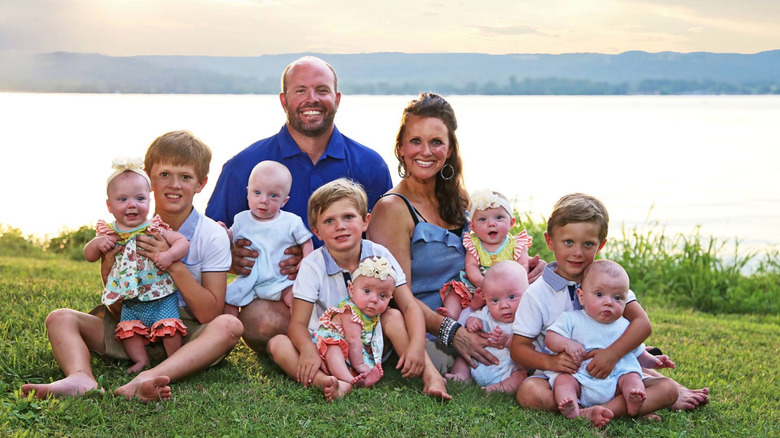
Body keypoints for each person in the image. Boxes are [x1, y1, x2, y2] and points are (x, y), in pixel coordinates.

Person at [21, 130, 243, 402]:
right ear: (149, 179)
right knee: (59, 318)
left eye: (185, 177)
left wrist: (173, 264)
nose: (174, 184)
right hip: (132, 327)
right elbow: (116, 307)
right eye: (164, 175)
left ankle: (147, 378)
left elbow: (210, 314)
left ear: (201, 184)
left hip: (186, 337)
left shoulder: (211, 235)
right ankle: (80, 377)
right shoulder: (125, 231)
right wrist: (107, 271)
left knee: (230, 325)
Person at [205, 56, 392, 353]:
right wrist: (231, 255)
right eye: (300, 91)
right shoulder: (244, 166)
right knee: (260, 321)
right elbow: (210, 242)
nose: (312, 99)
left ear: (337, 98)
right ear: (283, 100)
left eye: (322, 90)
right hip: (280, 300)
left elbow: (385, 249)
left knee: (385, 315)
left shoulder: (370, 165)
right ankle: (329, 345)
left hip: (351, 295)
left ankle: (341, 341)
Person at [367, 92, 546, 376]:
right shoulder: (392, 209)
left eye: (436, 142)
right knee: (522, 355)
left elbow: (485, 256)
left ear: (449, 150)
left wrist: (522, 271)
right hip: (426, 331)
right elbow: (396, 297)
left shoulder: (460, 200)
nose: (425, 151)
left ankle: (626, 362)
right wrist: (455, 332)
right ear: (400, 147)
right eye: (416, 141)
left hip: (481, 314)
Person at [510, 193, 705, 428]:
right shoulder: (538, 293)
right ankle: (608, 410)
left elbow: (642, 324)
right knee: (529, 392)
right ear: (550, 241)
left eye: (588, 244)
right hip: (566, 380)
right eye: (568, 242)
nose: (577, 252)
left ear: (600, 245)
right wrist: (552, 364)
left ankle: (610, 409)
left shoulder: (609, 280)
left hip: (614, 375)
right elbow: (518, 349)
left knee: (668, 389)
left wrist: (611, 355)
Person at [267, 179, 450, 401]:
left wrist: (416, 344)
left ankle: (431, 376)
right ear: (316, 231)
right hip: (327, 345)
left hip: (372, 342)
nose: (340, 226)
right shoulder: (312, 265)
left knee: (393, 315)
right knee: (277, 344)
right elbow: (297, 324)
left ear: (365, 221)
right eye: (329, 220)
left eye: (348, 217)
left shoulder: (380, 255)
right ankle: (326, 382)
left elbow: (409, 305)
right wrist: (307, 350)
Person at [84, 157, 190, 373]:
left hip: (160, 296)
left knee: (170, 330)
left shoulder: (154, 228)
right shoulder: (109, 233)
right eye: (122, 199)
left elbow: (182, 241)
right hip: (130, 301)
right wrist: (97, 244)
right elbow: (89, 255)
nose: (132, 204)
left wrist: (170, 255)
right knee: (130, 333)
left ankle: (174, 361)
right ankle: (141, 361)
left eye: (140, 198)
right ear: (109, 205)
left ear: (149, 201)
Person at [545, 259, 676, 422]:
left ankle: (632, 400)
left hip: (617, 380)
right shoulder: (572, 319)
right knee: (563, 380)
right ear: (581, 296)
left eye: (617, 298)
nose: (608, 302)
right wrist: (567, 344)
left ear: (626, 299)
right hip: (581, 376)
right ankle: (572, 405)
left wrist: (654, 362)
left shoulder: (625, 325)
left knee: (632, 378)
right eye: (599, 295)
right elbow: (550, 338)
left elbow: (638, 353)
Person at [223, 161, 313, 316]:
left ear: (284, 201)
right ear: (248, 193)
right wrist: (224, 232)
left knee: (296, 298)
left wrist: (307, 260)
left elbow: (306, 241)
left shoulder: (291, 221)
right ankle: (227, 330)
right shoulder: (241, 219)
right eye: (257, 193)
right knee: (228, 299)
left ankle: (301, 328)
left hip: (281, 280)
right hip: (249, 280)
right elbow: (230, 238)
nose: (264, 200)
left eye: (273, 195)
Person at [438, 189, 532, 320]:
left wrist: (507, 287)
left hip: (508, 288)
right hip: (478, 286)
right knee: (455, 293)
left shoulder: (516, 244)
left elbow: (523, 266)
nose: (491, 224)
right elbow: (471, 266)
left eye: (499, 217)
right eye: (483, 219)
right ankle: (450, 315)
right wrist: (483, 284)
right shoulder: (474, 244)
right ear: (473, 226)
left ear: (511, 222)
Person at [312, 256, 396, 389]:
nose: (374, 299)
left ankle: (361, 380)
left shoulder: (373, 315)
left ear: (390, 298)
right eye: (367, 291)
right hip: (328, 349)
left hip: (353, 354)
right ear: (351, 290)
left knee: (363, 358)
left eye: (383, 296)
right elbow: (353, 340)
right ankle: (348, 378)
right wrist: (359, 365)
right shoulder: (350, 311)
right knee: (334, 349)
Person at [445, 261, 529, 393]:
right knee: (463, 359)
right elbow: (475, 317)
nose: (504, 305)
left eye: (511, 297)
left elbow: (529, 347)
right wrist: (472, 322)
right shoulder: (487, 312)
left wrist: (507, 340)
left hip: (507, 369)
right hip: (479, 362)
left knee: (520, 376)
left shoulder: (527, 320)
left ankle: (496, 389)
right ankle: (460, 377)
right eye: (495, 300)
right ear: (486, 299)